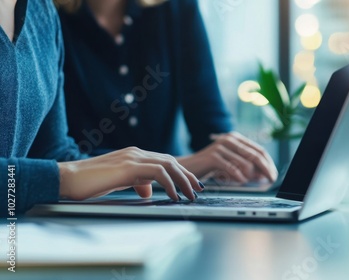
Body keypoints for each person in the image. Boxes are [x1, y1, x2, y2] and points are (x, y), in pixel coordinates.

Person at [0, 0, 205, 217]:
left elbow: (52, 154)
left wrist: (125, 167)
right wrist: (64, 178)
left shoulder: (41, 10)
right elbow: (58, 173)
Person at [56, 0, 278, 184]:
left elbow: (210, 126)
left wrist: (234, 160)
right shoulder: (46, 14)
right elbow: (57, 160)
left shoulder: (176, 7)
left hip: (172, 199)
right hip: (82, 208)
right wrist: (185, 165)